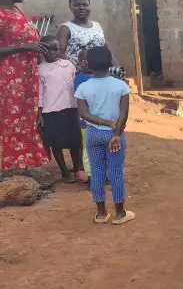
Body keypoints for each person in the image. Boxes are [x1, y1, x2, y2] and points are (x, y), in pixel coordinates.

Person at [0, 0, 50, 170]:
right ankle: (15, 163)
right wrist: (23, 47)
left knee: (29, 116)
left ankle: (30, 161)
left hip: (28, 73)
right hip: (8, 76)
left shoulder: (18, 11)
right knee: (12, 119)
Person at [74, 46, 133, 225]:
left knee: (97, 172)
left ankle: (101, 213)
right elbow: (124, 114)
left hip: (93, 134)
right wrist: (114, 131)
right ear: (110, 63)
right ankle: (120, 213)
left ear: (87, 64)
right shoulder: (120, 85)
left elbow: (83, 114)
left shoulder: (84, 87)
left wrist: (103, 123)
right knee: (116, 172)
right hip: (114, 135)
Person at [38, 35, 85, 184]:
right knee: (56, 142)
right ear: (42, 50)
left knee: (75, 141)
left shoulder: (68, 65)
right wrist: (39, 113)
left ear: (60, 50)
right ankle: (64, 171)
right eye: (48, 49)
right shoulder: (41, 69)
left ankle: (77, 168)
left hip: (71, 108)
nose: (52, 52)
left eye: (56, 49)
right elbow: (40, 93)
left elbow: (76, 84)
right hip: (51, 110)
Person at [57, 0, 115, 69]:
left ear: (89, 6)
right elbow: (60, 53)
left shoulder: (97, 25)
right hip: (79, 74)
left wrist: (116, 67)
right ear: (70, 7)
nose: (81, 7)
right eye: (77, 5)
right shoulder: (66, 28)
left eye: (85, 5)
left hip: (101, 72)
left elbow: (107, 49)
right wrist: (78, 69)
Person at [73, 48, 93, 186]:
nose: (84, 62)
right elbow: (80, 99)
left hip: (103, 121)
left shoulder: (105, 78)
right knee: (87, 149)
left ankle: (104, 174)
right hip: (86, 121)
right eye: (81, 60)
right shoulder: (79, 78)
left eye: (88, 59)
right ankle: (91, 177)